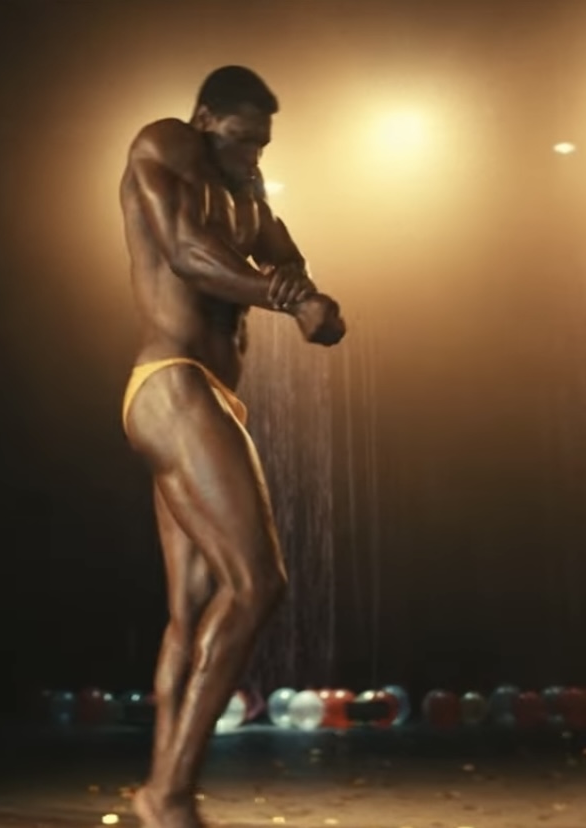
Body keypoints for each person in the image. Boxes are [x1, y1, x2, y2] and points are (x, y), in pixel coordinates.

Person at [117, 65, 346, 828]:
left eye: (263, 145)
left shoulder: (248, 191)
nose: (253, 156)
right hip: (173, 383)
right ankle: (171, 793)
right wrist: (288, 299)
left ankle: (155, 794)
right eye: (243, 139)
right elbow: (187, 252)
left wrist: (311, 296)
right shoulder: (164, 145)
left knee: (189, 613)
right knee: (257, 584)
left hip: (208, 396)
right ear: (206, 119)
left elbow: (286, 253)